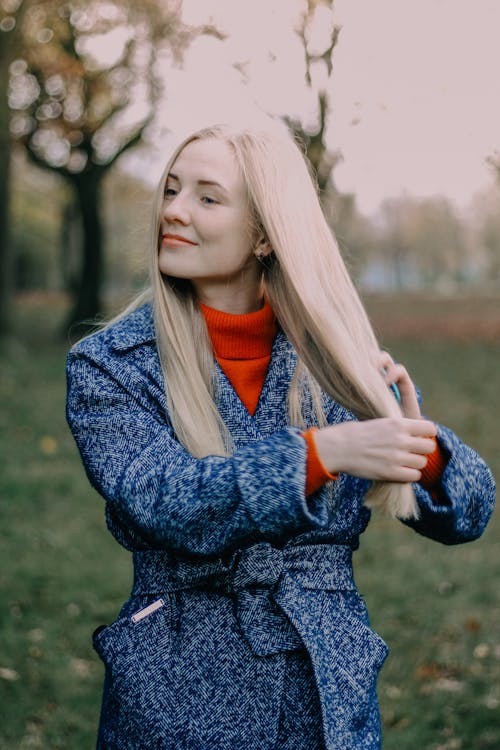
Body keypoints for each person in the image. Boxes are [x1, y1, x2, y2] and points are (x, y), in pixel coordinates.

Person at [66, 120, 495, 750]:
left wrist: (420, 449)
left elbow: (471, 513)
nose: (173, 211)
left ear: (265, 233)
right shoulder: (111, 363)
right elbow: (167, 501)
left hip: (322, 685)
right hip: (177, 683)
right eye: (172, 189)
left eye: (207, 198)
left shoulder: (334, 358)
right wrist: (323, 454)